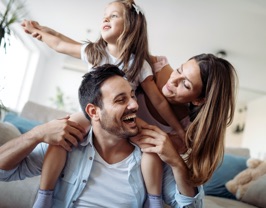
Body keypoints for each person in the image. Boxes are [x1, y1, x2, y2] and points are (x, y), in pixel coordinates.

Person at [21, 1, 185, 207]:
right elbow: (60, 44)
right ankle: (45, 195)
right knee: (60, 139)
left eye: (114, 16)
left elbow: (158, 101)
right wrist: (41, 33)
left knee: (150, 147)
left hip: (123, 118)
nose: (105, 18)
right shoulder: (94, 52)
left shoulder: (139, 64)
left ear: (130, 27)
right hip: (90, 112)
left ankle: (154, 201)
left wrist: (179, 130)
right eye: (105, 15)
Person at [0, 64, 204, 208]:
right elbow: (3, 172)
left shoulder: (151, 156)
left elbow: (191, 207)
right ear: (94, 111)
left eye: (132, 96)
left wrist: (177, 162)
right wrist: (36, 134)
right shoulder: (66, 145)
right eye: (120, 100)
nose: (134, 105)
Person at [134, 53, 238, 188]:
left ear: (199, 100)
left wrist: (175, 160)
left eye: (186, 84)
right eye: (179, 70)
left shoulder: (186, 133)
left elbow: (192, 188)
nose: (173, 81)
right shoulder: (154, 65)